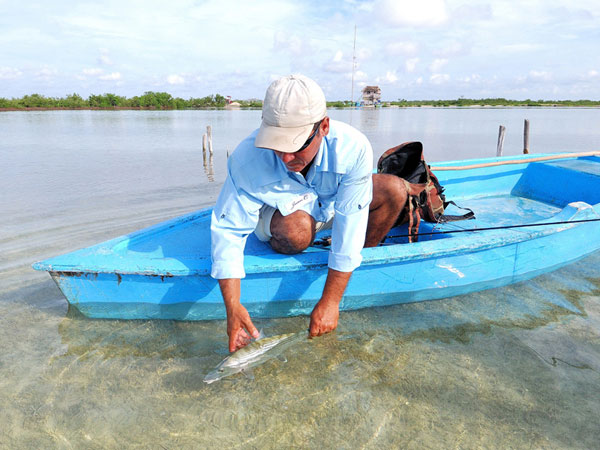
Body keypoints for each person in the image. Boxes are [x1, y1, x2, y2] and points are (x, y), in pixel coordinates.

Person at [211, 74, 406, 352]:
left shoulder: (354, 147)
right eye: (276, 145)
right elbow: (228, 231)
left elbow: (351, 220)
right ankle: (322, 251)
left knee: (394, 190)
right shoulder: (247, 157)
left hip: (328, 206)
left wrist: (330, 301)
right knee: (298, 229)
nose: (286, 157)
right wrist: (232, 307)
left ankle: (354, 271)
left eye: (296, 145)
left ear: (324, 126)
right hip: (277, 213)